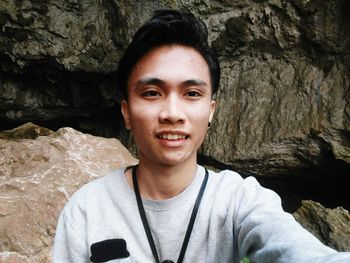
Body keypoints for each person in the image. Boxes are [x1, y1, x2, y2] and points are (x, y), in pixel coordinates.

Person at [53, 9, 350, 263]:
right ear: (127, 112)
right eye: (152, 93)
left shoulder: (237, 200)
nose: (172, 112)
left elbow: (293, 247)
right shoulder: (87, 210)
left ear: (210, 111)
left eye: (191, 93)